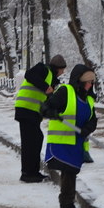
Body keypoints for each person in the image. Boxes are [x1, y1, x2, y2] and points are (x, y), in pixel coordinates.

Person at [41, 64, 97, 208]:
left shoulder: (88, 99)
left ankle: (68, 205)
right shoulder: (66, 92)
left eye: (91, 82)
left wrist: (88, 128)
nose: (90, 85)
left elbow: (93, 119)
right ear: (79, 81)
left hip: (76, 144)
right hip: (62, 142)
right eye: (87, 82)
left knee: (71, 173)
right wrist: (47, 111)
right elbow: (48, 104)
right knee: (68, 173)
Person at [14, 54, 66, 183]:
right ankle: (28, 173)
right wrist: (45, 87)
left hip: (32, 112)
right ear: (58, 68)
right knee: (30, 143)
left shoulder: (51, 80)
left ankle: (33, 171)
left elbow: (49, 99)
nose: (62, 73)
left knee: (36, 139)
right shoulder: (44, 69)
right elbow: (29, 75)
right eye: (62, 70)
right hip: (26, 109)